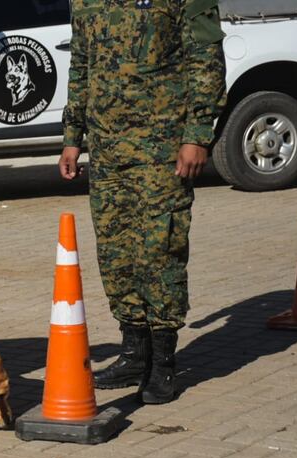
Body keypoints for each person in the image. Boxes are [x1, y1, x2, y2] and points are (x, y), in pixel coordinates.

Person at [59, 0, 226, 404]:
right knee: (116, 253)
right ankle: (134, 353)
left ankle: (164, 364)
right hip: (108, 148)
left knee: (159, 249)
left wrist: (197, 135)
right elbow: (80, 65)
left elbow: (206, 60)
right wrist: (72, 137)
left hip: (162, 147)